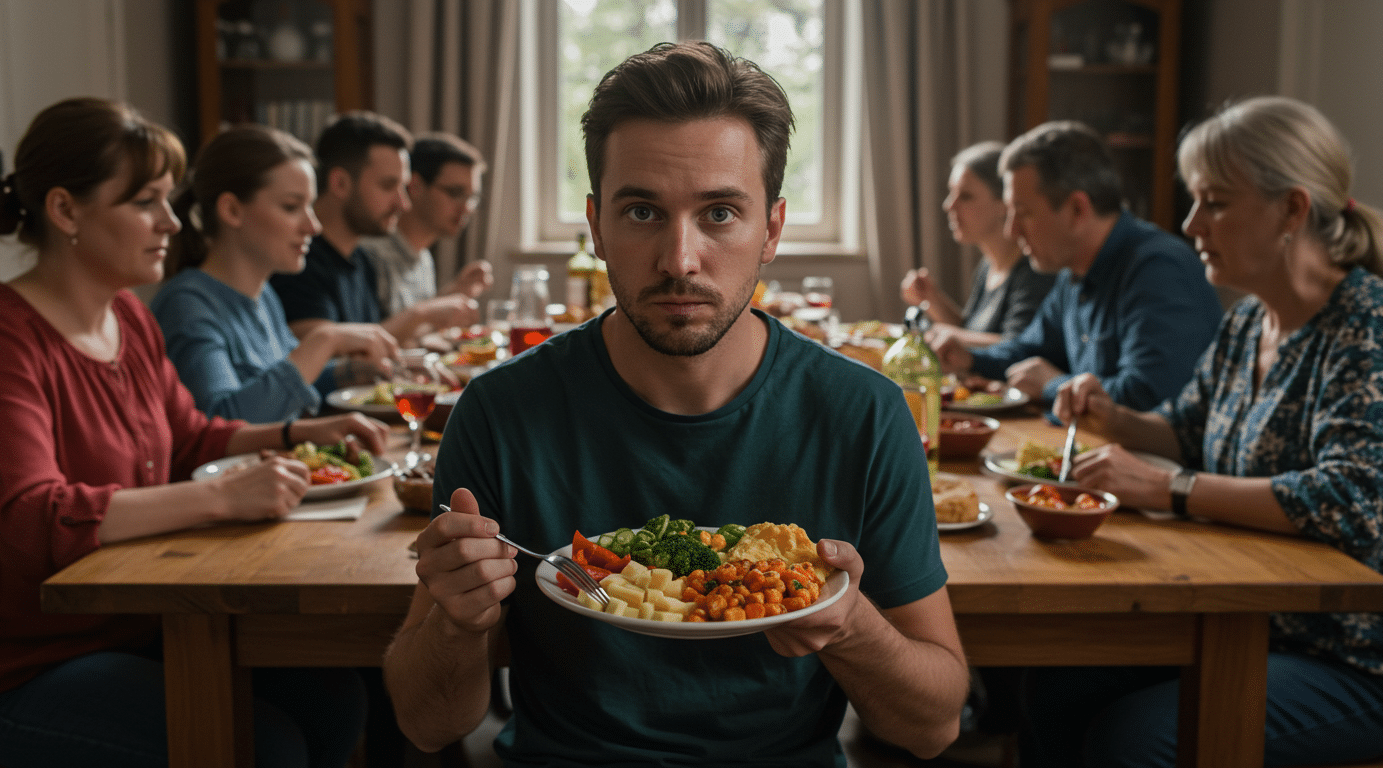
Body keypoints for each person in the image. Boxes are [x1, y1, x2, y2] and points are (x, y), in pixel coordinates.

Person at [382, 41, 968, 766]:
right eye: (642, 212)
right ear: (596, 227)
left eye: (720, 213)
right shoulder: (498, 412)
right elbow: (427, 724)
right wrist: (455, 620)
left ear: (772, 231)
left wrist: (848, 625)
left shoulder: (868, 414)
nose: (680, 260)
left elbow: (934, 725)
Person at [0, 97, 390, 768]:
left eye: (169, 199)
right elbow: (28, 518)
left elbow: (191, 436)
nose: (171, 221)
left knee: (337, 699)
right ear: (65, 210)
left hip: (143, 624)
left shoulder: (131, 321)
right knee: (269, 748)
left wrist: (300, 431)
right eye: (145, 201)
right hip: (27, 663)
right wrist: (222, 499)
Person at [1025, 96, 1383, 767]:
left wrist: (1169, 488)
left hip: (1354, 653)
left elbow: (1348, 497)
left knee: (1134, 739)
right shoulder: (1250, 322)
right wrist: (1110, 414)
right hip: (1251, 619)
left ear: (1292, 210)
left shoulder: (1365, 327)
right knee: (1056, 686)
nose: (1190, 224)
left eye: (1214, 202)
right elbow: (1183, 429)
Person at [929, 121, 1222, 409]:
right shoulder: (1072, 271)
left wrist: (1052, 385)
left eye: (1023, 213)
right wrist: (970, 358)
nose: (1011, 231)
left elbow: (1149, 396)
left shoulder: (1158, 271)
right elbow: (1030, 348)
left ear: (1077, 209)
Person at [152, 124, 399, 422]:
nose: (313, 226)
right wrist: (325, 340)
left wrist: (354, 372)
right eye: (292, 207)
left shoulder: (264, 295)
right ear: (232, 211)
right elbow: (221, 423)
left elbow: (290, 384)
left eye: (309, 206)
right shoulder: (187, 304)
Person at [269, 111, 477, 347]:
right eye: (388, 186)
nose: (403, 203)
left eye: (403, 187)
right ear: (340, 183)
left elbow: (375, 348)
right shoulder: (298, 262)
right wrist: (421, 313)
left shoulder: (362, 262)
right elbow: (323, 354)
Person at [902, 141, 1055, 349]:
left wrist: (937, 333)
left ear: (1004, 203)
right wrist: (932, 298)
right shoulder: (987, 265)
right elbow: (971, 334)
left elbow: (1017, 348)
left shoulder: (1034, 269)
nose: (949, 206)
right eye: (951, 193)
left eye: (965, 196)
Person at [358, 131, 493, 323]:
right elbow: (366, 343)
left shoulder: (423, 258)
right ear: (415, 187)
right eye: (455, 193)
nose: (467, 208)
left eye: (472, 198)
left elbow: (414, 335)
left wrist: (455, 292)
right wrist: (430, 310)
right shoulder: (371, 255)